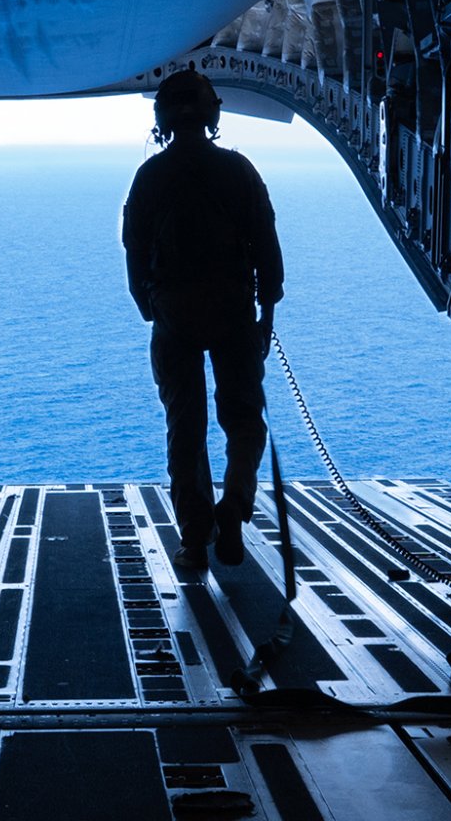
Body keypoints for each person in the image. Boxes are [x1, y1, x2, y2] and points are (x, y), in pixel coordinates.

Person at [122, 68, 284, 574]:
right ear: (213, 114)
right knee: (243, 421)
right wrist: (266, 314)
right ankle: (234, 506)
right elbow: (267, 247)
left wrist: (151, 309)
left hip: (173, 317)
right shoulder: (239, 170)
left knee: (184, 430)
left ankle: (195, 540)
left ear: (163, 121)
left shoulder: (150, 176)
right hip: (234, 313)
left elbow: (133, 250)